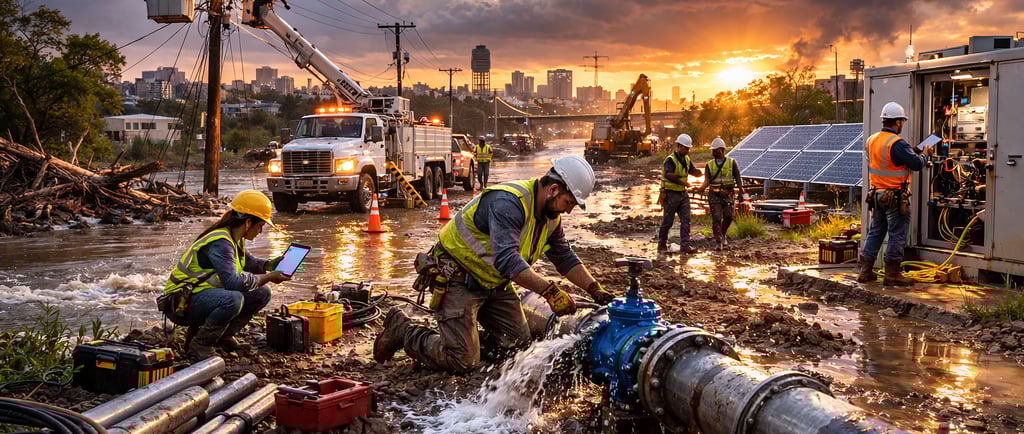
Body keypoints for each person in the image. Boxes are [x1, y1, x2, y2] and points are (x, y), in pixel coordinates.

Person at [373, 155, 615, 374]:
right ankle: (404, 330)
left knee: (518, 347)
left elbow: (564, 257)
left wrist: (595, 290)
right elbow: (507, 260)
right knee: (463, 362)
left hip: (494, 282)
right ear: (553, 189)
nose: (569, 211)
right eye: (569, 203)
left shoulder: (551, 217)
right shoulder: (509, 203)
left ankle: (466, 340)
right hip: (458, 277)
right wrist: (550, 291)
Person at [162, 190, 291, 359]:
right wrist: (269, 276)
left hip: (196, 297)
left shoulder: (233, 238)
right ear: (248, 222)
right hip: (180, 303)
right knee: (233, 299)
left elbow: (248, 262)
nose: (260, 232)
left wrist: (269, 265)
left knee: (262, 293)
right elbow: (233, 283)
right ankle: (200, 344)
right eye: (260, 226)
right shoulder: (221, 243)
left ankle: (223, 336)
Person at [857, 102, 933, 286]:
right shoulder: (897, 143)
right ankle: (892, 275)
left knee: (875, 232)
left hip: (876, 194)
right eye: (902, 121)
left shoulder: (872, 139)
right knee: (897, 234)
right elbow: (915, 165)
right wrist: (925, 153)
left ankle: (865, 272)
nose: (903, 124)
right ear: (898, 122)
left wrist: (912, 151)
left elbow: (889, 159)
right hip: (895, 196)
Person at [658, 133, 704, 254]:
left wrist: (701, 173)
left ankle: (685, 246)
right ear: (679, 146)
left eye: (688, 148)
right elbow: (668, 174)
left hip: (682, 194)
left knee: (686, 220)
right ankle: (661, 244)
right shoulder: (670, 160)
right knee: (668, 220)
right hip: (670, 194)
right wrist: (682, 182)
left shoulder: (687, 159)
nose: (687, 150)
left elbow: (692, 170)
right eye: (685, 148)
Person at [696, 137, 745, 250]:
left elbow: (737, 176)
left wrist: (740, 187)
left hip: (728, 193)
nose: (713, 152)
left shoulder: (732, 163)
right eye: (713, 150)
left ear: (721, 150)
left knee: (729, 216)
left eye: (715, 150)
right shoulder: (710, 164)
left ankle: (722, 234)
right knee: (716, 217)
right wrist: (702, 188)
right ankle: (718, 241)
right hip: (714, 194)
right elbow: (707, 179)